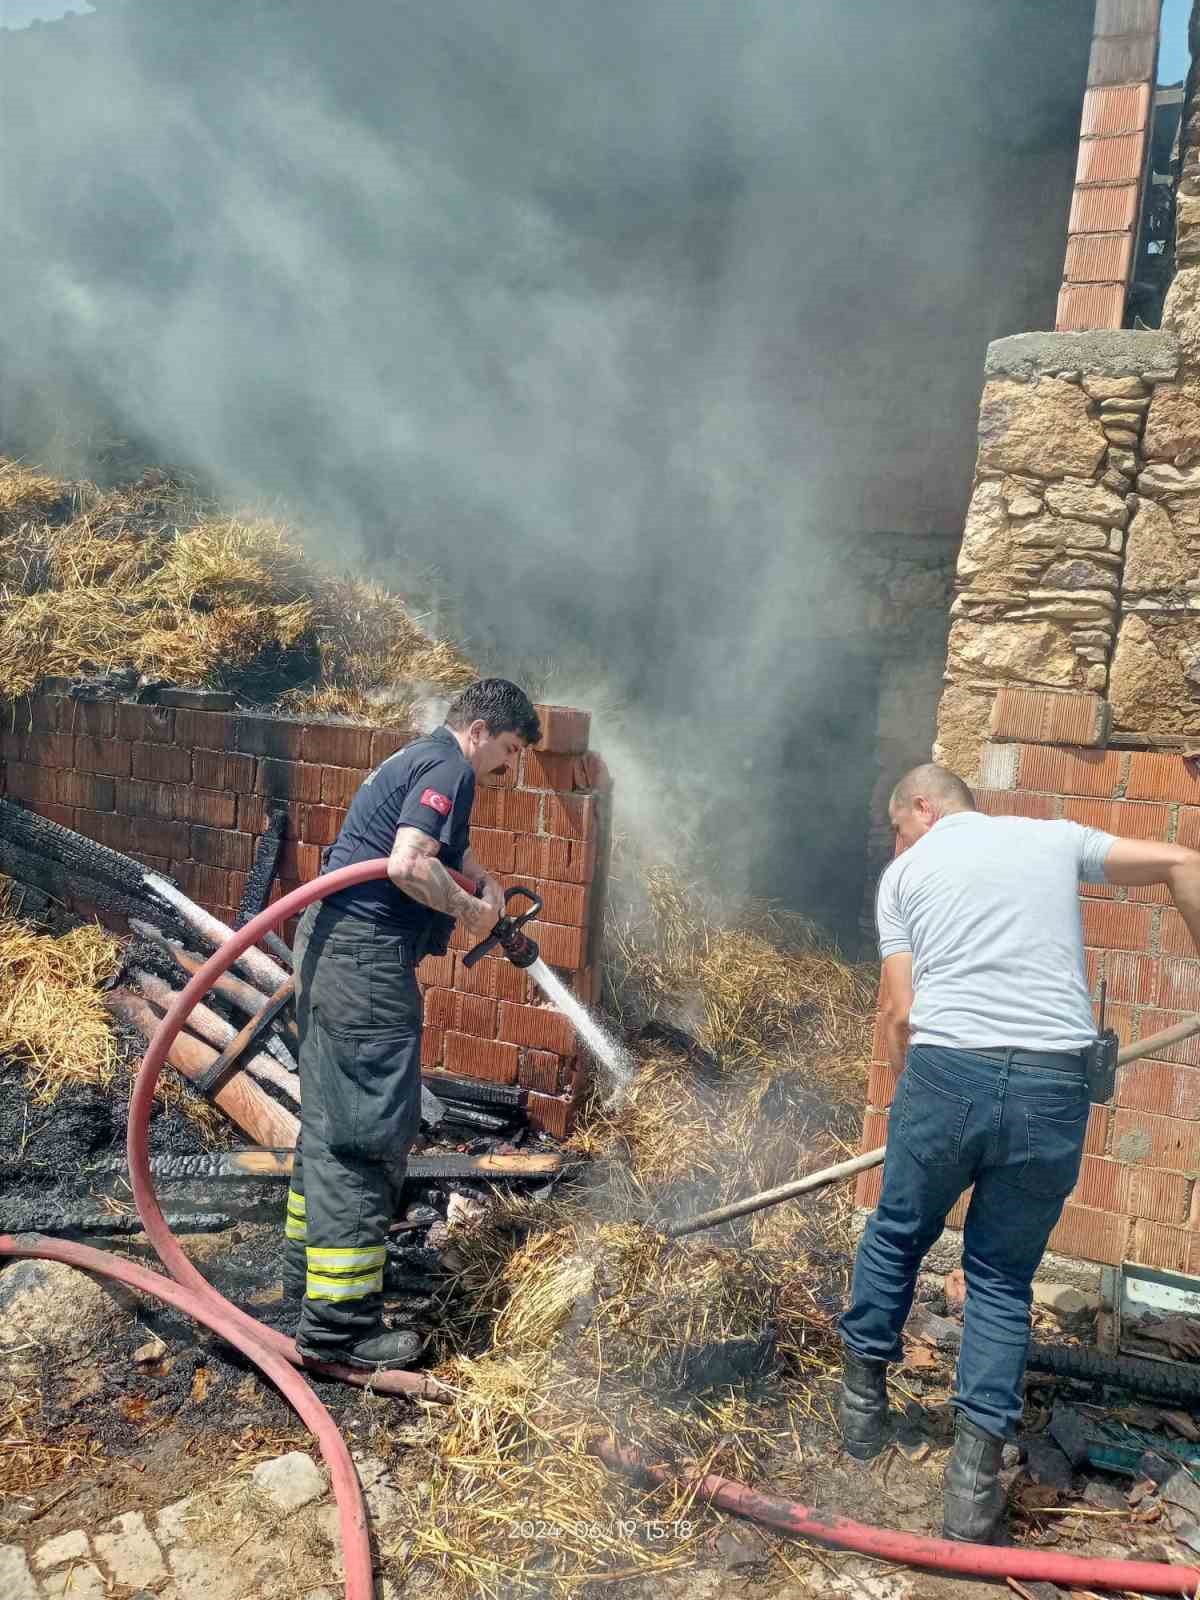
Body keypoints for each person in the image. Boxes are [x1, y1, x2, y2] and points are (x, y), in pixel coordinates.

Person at [838, 762, 1200, 1543]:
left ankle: (861, 1417)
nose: (897, 844)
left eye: (898, 828)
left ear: (923, 810)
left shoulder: (905, 877)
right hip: (1052, 1085)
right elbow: (1183, 863)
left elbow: (902, 1013)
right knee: (1001, 1278)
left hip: (947, 1073)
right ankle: (971, 1494)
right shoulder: (1053, 837)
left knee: (898, 1234)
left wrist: (916, 1105)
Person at [282, 678, 541, 1371]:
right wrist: (467, 907)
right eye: (509, 751)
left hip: (334, 951)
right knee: (365, 1136)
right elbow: (408, 864)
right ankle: (340, 1329)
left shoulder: (418, 758)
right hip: (363, 966)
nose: (507, 769)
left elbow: (444, 849)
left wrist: (482, 881)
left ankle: (300, 1284)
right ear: (481, 729)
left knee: (330, 1124)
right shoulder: (452, 766)